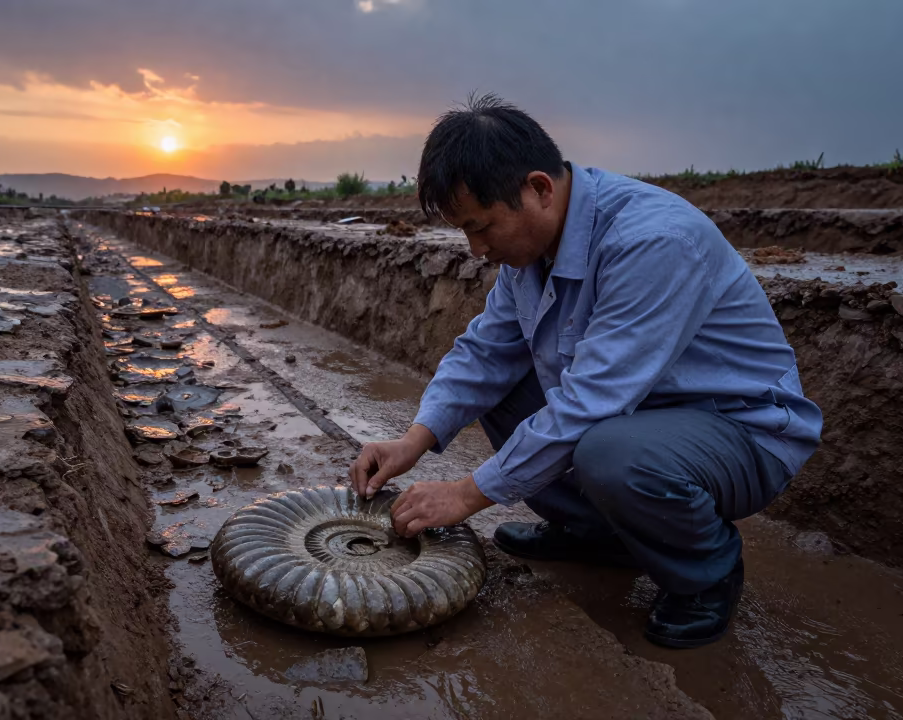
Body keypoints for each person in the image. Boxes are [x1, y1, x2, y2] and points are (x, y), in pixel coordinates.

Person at [348, 93, 823, 649]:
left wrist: (467, 493)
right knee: (503, 389)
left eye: (482, 227)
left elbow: (591, 403)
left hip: (739, 432)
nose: (477, 250)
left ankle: (706, 574)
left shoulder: (652, 241)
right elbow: (484, 353)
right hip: (637, 417)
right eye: (465, 233)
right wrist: (414, 439)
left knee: (608, 450)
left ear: (539, 189)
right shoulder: (531, 253)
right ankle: (603, 536)